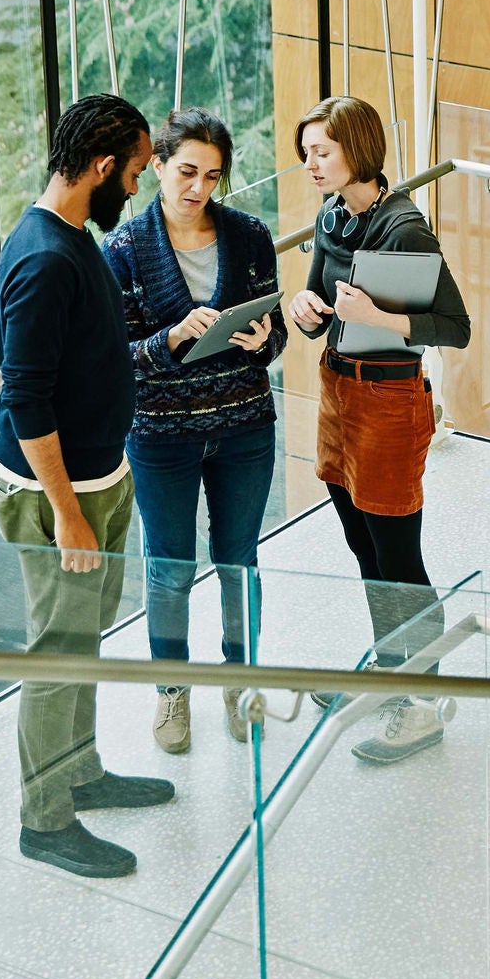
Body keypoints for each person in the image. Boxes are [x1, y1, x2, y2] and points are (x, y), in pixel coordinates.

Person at [0, 93, 172, 881]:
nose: (134, 191)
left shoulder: (68, 238)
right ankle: (45, 817)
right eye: (131, 175)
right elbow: (23, 400)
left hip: (99, 478)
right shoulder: (42, 257)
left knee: (82, 638)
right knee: (56, 653)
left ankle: (80, 770)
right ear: (101, 168)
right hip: (57, 497)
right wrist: (68, 513)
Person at [286, 95, 471, 765]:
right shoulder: (333, 216)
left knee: (399, 559)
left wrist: (381, 317)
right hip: (338, 391)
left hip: (390, 402)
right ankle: (388, 678)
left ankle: (420, 704)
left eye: (322, 152)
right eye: (306, 151)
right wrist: (304, 307)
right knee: (364, 548)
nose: (310, 163)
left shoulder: (405, 230)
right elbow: (316, 312)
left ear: (357, 151)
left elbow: (456, 328)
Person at [104, 110, 286, 755]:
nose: (198, 188)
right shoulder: (122, 251)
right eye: (186, 171)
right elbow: (113, 358)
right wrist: (170, 339)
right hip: (161, 438)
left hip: (244, 429)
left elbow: (277, 328)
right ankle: (172, 690)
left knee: (240, 560)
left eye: (211, 176)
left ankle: (242, 680)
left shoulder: (250, 235)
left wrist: (268, 341)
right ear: (156, 165)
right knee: (170, 569)